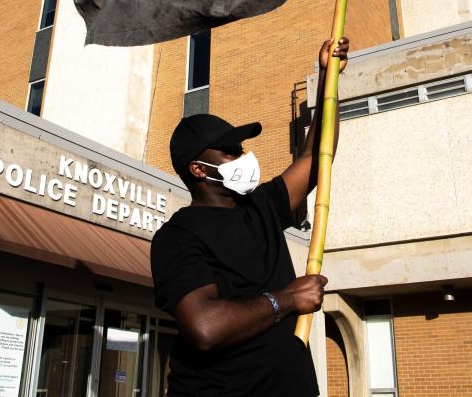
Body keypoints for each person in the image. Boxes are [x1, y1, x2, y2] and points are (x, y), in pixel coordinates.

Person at [150, 37, 350, 397]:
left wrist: (327, 79)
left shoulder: (261, 206)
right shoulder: (177, 236)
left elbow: (314, 159)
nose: (243, 157)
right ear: (198, 169)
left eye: (240, 149)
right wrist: (287, 299)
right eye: (229, 153)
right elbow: (205, 327)